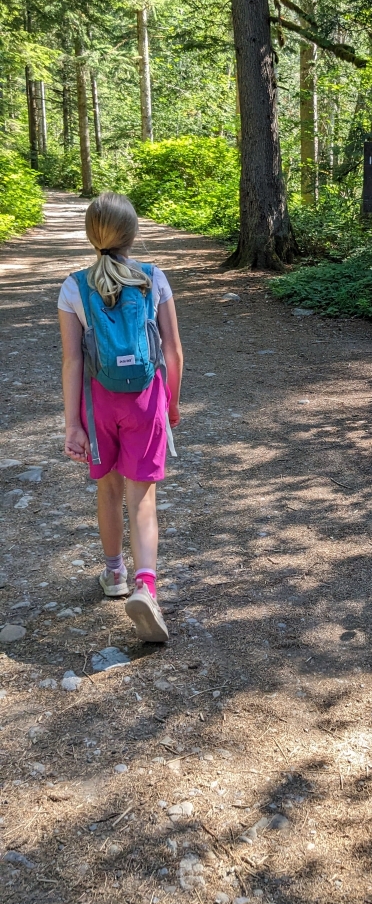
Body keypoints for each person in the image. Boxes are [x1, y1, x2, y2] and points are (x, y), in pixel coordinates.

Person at [58, 192, 183, 644]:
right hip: (145, 400)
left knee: (108, 490)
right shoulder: (153, 278)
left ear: (92, 236)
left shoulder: (74, 286)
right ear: (133, 234)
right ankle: (145, 586)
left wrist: (73, 423)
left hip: (99, 402)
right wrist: (170, 403)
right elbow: (172, 350)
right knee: (142, 496)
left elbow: (73, 361)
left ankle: (114, 574)